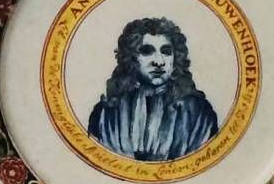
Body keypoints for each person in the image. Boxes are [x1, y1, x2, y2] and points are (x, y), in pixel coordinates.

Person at [88, 17, 218, 163]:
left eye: (166, 52)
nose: (158, 62)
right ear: (131, 57)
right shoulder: (106, 112)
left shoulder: (198, 112)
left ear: (175, 59)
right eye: (147, 51)